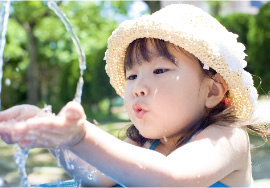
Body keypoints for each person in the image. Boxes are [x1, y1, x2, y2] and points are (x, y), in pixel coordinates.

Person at [0, 3, 266, 187]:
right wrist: (56, 137)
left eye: (160, 70)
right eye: (132, 76)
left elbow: (170, 179)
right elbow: (95, 176)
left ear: (213, 90)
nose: (138, 86)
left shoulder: (227, 136)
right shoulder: (144, 142)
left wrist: (83, 135)